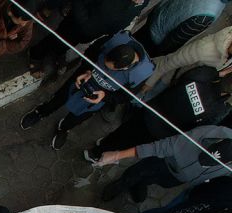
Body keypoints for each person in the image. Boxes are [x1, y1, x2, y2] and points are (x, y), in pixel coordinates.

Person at [21, 33, 154, 150]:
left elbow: (124, 97)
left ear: (124, 68)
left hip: (98, 99)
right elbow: (90, 53)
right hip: (81, 80)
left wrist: (105, 96)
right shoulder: (111, 40)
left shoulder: (141, 75)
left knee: (78, 117)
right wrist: (88, 70)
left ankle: (64, 128)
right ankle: (41, 112)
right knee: (58, 99)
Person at [98, 65, 232, 154]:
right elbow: (199, 127)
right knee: (134, 143)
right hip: (160, 131)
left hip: (152, 109)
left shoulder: (204, 74)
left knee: (125, 129)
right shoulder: (217, 109)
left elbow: (183, 76)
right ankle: (109, 153)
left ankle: (101, 147)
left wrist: (220, 73)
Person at [96, 127, 232, 203]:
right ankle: (121, 185)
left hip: (179, 179)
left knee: (153, 180)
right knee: (137, 172)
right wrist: (117, 155)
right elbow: (165, 146)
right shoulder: (218, 133)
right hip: (164, 161)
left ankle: (141, 184)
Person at [27, 0, 147, 74]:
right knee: (57, 38)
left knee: (68, 43)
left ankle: (59, 52)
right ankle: (36, 54)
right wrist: (83, 22)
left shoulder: (143, 2)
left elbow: (132, 15)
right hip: (77, 22)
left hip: (92, 33)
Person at [145, 22, 232, 92]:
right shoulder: (203, 50)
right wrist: (150, 82)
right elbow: (172, 62)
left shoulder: (228, 54)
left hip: (179, 81)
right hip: (163, 77)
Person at [138, 0, 226, 55]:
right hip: (156, 37)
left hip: (157, 15)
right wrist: (161, 52)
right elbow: (176, 38)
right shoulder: (206, 16)